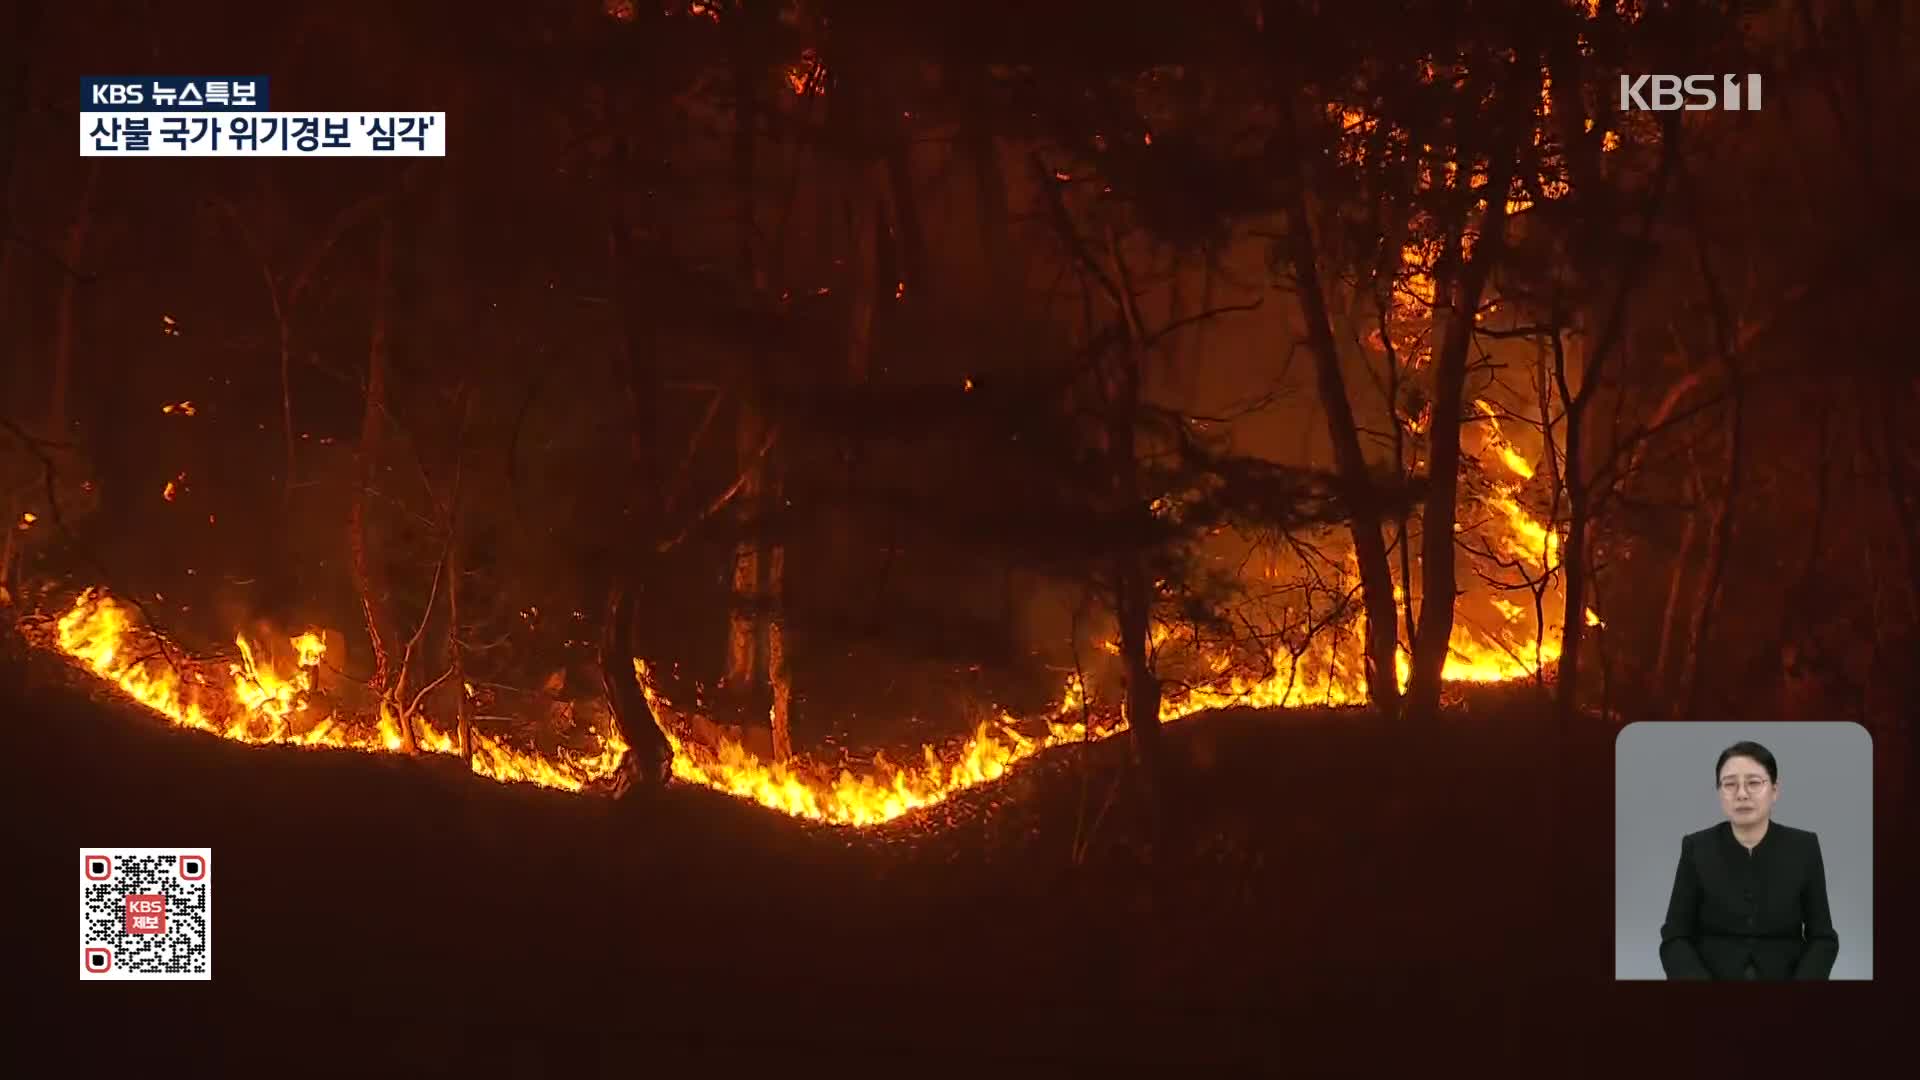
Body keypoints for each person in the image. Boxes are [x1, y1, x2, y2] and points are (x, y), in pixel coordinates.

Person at [1659, 741, 1839, 979]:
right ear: (1719, 792)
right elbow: (1675, 937)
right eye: (1729, 784)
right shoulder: (1696, 848)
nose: (1741, 794)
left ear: (1775, 790)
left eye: (1754, 783)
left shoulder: (1804, 847)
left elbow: (1823, 938)